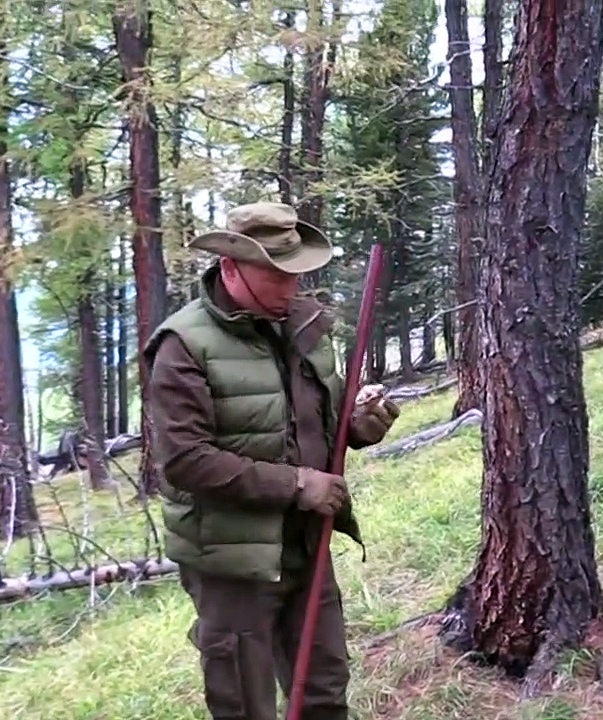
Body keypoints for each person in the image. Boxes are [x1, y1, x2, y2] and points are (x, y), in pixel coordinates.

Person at [143, 201, 401, 720]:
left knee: (324, 691)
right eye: (277, 276)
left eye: (296, 274)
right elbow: (187, 461)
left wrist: (358, 425)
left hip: (307, 543)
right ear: (230, 267)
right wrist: (299, 485)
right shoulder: (183, 345)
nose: (291, 287)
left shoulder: (306, 328)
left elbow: (323, 418)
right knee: (244, 703)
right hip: (231, 558)